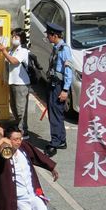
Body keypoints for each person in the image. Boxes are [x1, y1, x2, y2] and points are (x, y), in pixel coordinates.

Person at [44, 22, 73, 157]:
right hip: (53, 84)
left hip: (59, 86)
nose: (47, 37)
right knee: (54, 113)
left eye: (49, 35)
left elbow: (68, 70)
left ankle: (55, 142)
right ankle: (61, 139)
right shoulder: (56, 48)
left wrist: (65, 89)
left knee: (56, 114)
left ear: (55, 35)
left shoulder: (64, 50)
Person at [0, 28, 31, 138]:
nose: (14, 39)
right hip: (12, 82)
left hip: (21, 83)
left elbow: (14, 61)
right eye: (12, 36)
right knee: (14, 107)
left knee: (21, 109)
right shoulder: (12, 49)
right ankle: (18, 128)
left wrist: (4, 51)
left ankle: (23, 131)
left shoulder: (23, 50)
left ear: (21, 39)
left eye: (16, 37)